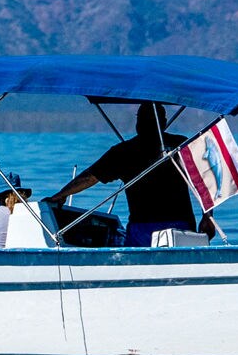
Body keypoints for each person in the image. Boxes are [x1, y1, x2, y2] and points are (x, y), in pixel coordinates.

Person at [46, 101, 214, 247]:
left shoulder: (126, 151)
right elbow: (206, 180)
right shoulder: (179, 144)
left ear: (138, 124)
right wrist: (208, 217)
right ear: (163, 123)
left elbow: (90, 177)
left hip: (147, 229)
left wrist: (60, 195)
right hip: (174, 228)